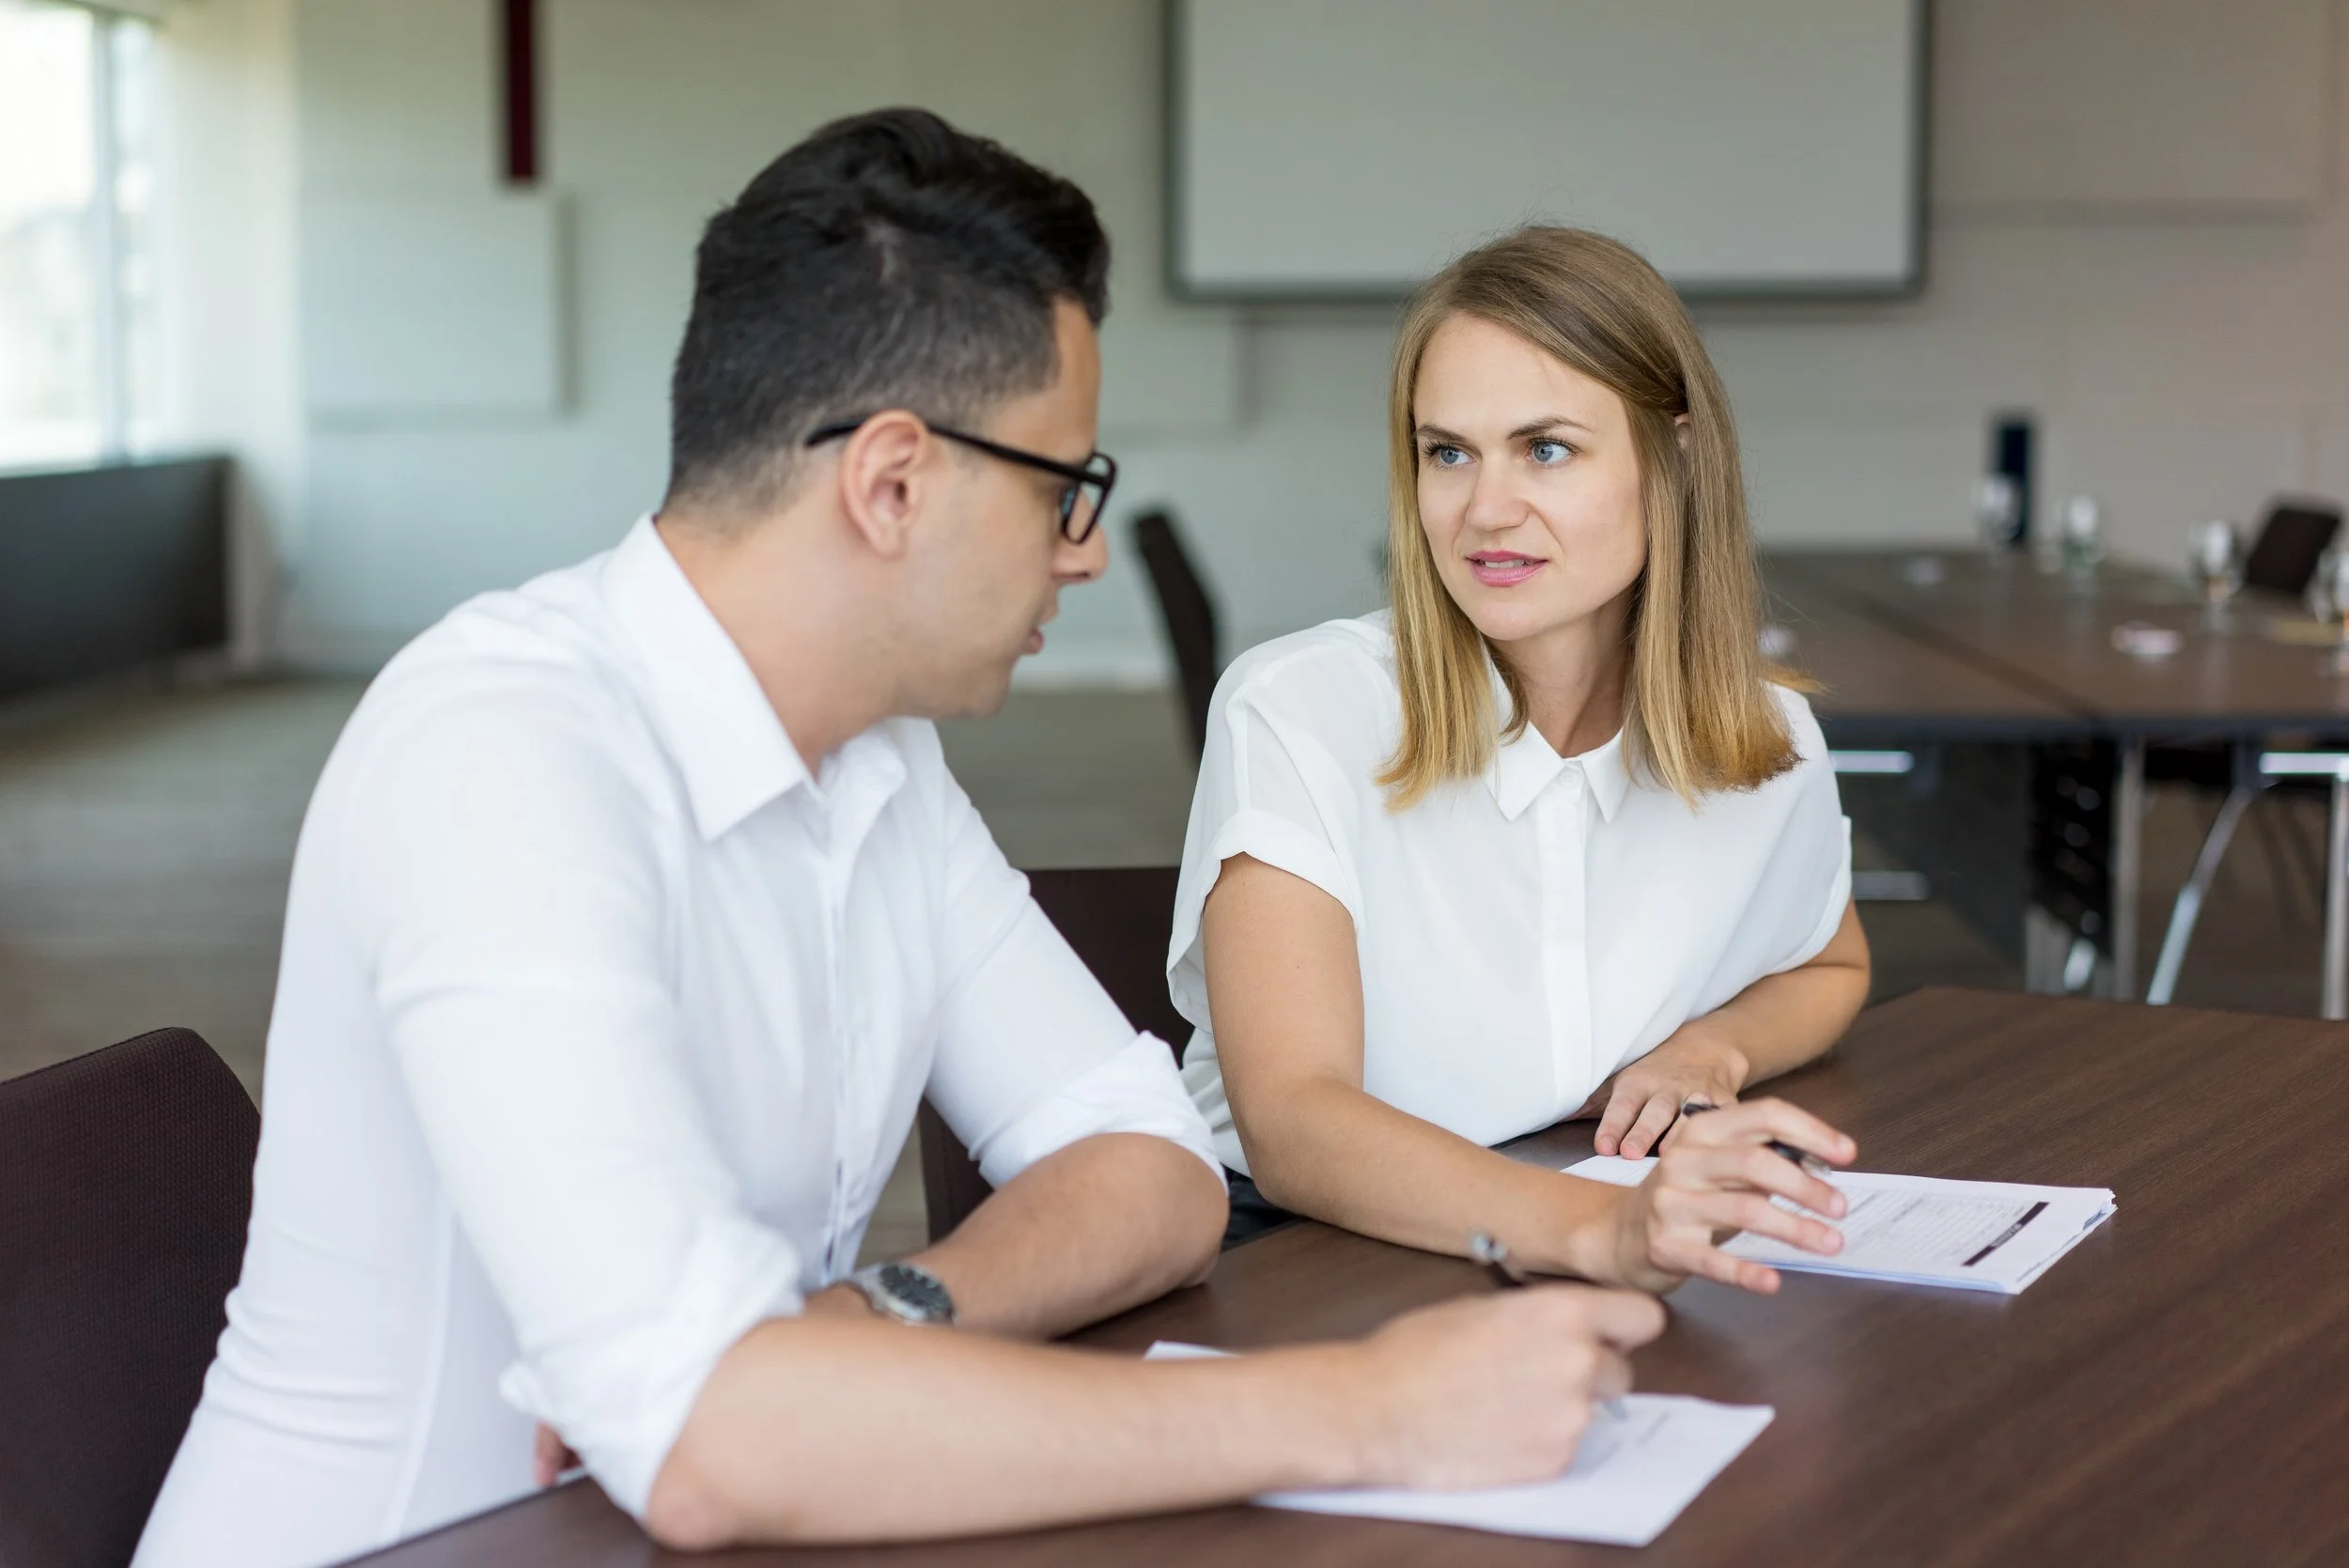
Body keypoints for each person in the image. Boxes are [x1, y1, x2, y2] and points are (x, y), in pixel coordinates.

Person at [132, 116, 1665, 1568]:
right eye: (1066, 489)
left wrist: (873, 1320)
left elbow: (1154, 1168)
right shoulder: (502, 755)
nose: (1083, 552)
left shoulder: (879, 762)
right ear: (891, 481)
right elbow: (714, 1444)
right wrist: (1366, 1406)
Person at [1173, 226, 1871, 1285]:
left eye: (1545, 448)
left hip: (1575, 1207)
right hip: (1302, 1250)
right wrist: (1603, 1230)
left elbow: (1830, 964)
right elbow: (1295, 1124)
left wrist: (1708, 1050)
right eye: (1447, 452)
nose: (1485, 511)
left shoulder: (1766, 739)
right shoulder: (1299, 709)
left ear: (1674, 460)